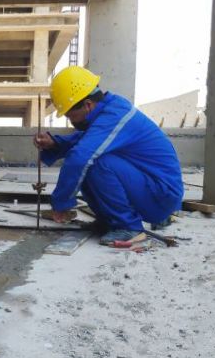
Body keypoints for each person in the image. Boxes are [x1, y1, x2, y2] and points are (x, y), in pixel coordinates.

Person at [33, 66, 183, 246]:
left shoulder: (116, 115)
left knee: (95, 163)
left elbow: (79, 157)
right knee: (92, 160)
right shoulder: (108, 112)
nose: (71, 122)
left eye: (71, 116)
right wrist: (55, 143)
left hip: (161, 195)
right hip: (149, 187)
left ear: (88, 105)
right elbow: (85, 140)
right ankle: (110, 221)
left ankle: (128, 227)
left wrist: (61, 203)